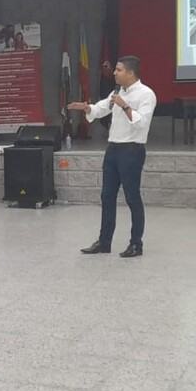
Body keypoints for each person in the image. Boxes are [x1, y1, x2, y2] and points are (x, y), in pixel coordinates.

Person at [68, 55, 156, 258]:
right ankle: (104, 241)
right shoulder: (117, 91)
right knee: (107, 196)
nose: (114, 73)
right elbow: (101, 108)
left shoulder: (146, 94)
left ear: (131, 73)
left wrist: (125, 106)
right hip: (113, 149)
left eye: (118, 70)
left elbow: (142, 122)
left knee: (132, 197)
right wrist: (87, 108)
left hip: (132, 150)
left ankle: (136, 244)